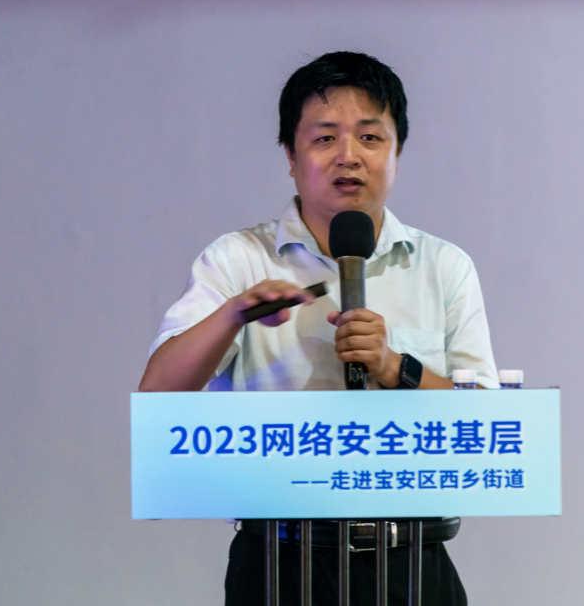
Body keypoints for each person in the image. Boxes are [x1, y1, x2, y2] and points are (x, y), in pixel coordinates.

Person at [139, 51, 497, 605]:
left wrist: (395, 368)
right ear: (291, 155)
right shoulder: (238, 259)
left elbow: (490, 428)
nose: (348, 156)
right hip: (279, 564)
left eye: (370, 138)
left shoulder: (444, 266)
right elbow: (158, 397)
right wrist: (232, 315)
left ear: (397, 152)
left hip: (411, 562)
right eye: (325, 138)